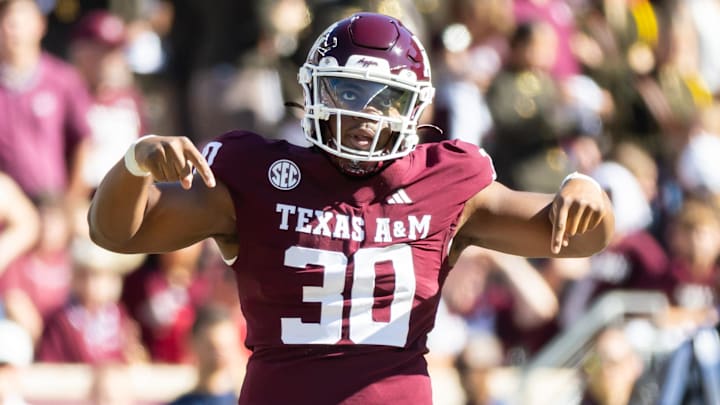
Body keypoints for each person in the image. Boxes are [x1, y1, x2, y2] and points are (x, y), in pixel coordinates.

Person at [88, 12, 614, 405]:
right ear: (316, 91)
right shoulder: (257, 173)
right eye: (348, 91)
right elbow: (115, 233)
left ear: (414, 106)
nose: (366, 114)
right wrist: (135, 165)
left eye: (384, 97)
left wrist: (588, 192)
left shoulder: (448, 181)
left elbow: (579, 238)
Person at [168, 305, 244, 405]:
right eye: (212, 347)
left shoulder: (247, 400)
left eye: (225, 346)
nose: (219, 353)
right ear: (192, 343)